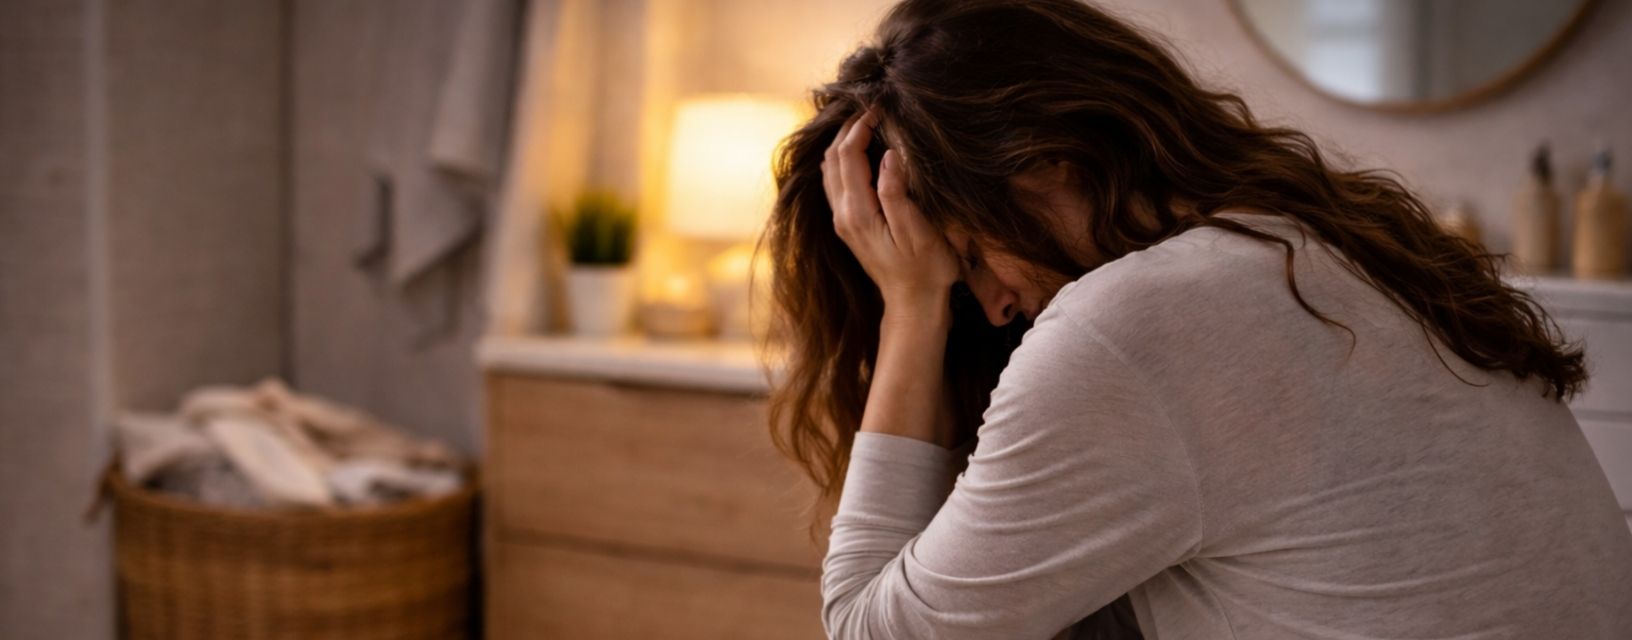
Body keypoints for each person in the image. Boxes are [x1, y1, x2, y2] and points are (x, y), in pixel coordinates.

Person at [756, 0, 1632, 638]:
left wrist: (912, 313)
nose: (993, 305)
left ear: (1046, 162)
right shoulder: (1330, 242)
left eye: (971, 255)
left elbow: (872, 634)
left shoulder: (1133, 324)